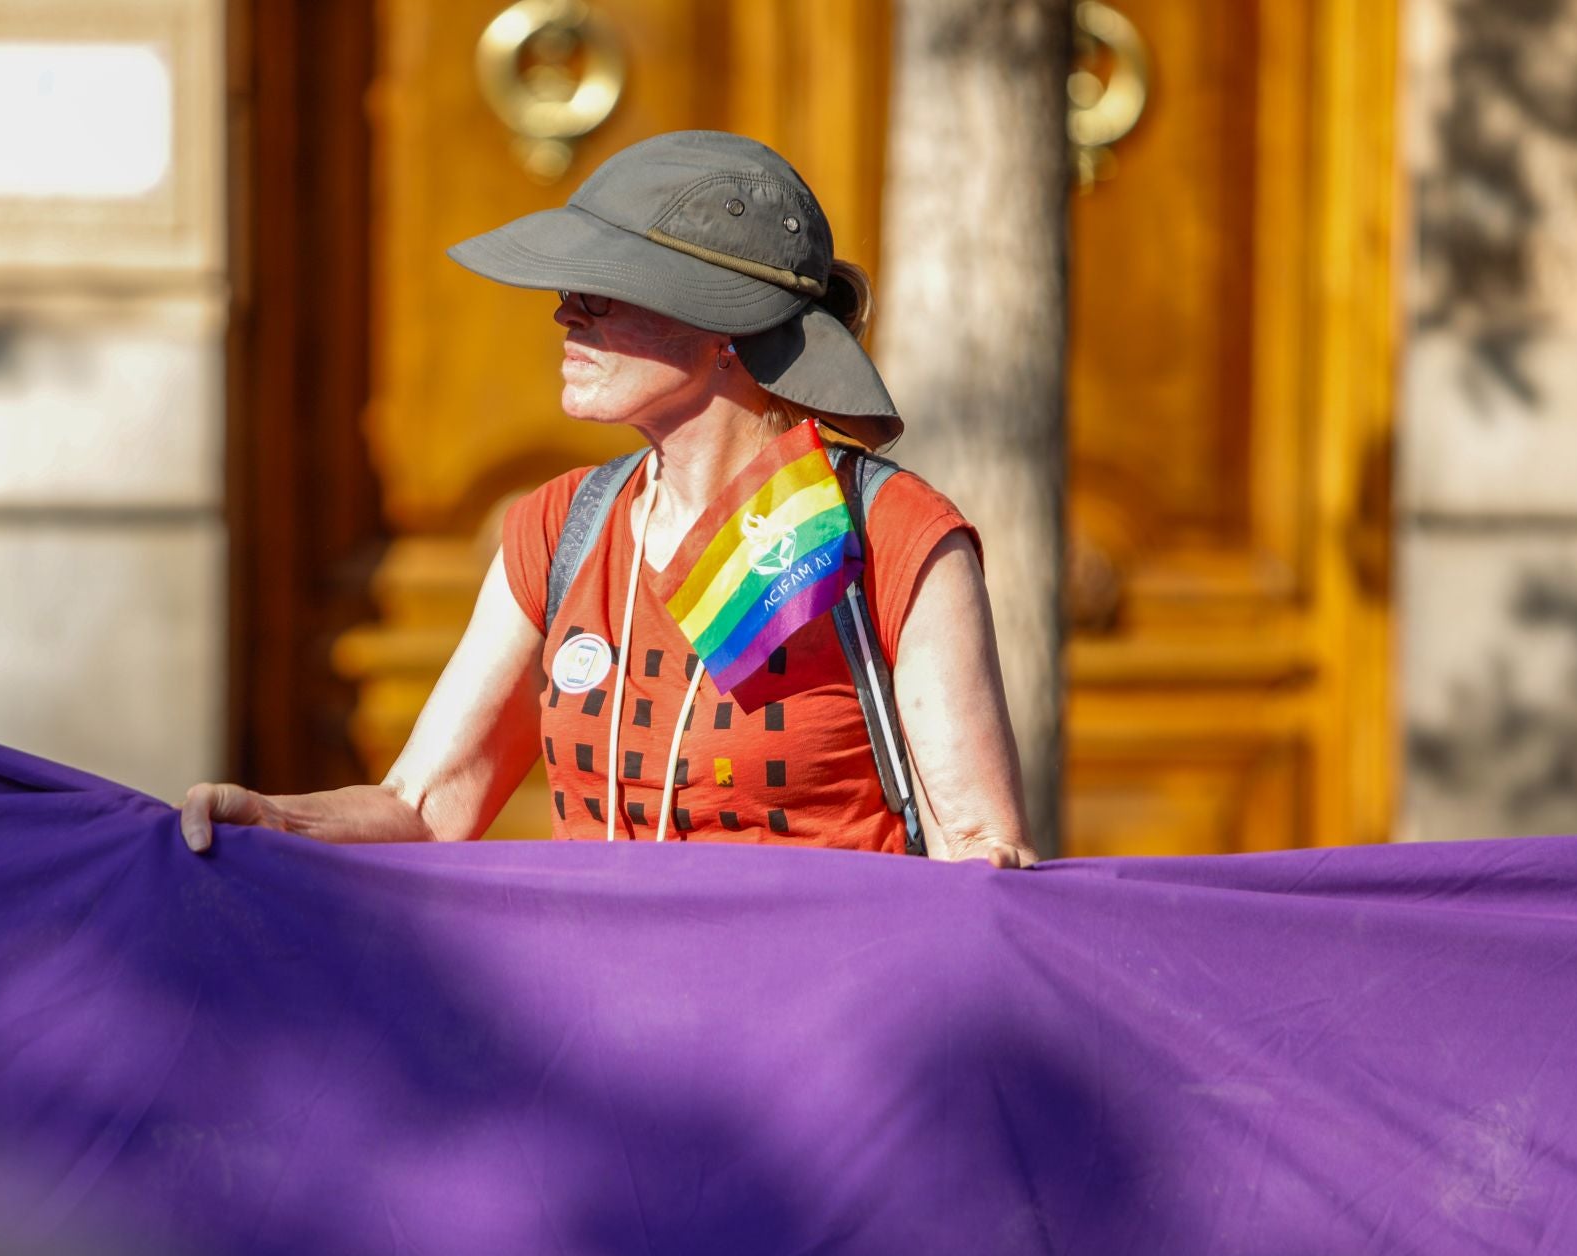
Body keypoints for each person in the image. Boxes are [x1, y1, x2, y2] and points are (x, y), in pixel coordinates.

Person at [182, 131, 1035, 866]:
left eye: (604, 290)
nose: (565, 315)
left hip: (823, 1036)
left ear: (725, 328)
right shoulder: (559, 527)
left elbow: (974, 848)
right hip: (603, 1040)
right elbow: (427, 805)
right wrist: (275, 819)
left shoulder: (892, 532)